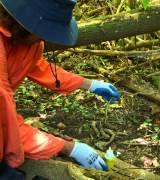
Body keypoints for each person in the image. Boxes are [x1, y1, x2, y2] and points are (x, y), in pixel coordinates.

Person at [0, 0, 121, 177]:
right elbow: (6, 121)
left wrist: (89, 84)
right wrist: (68, 148)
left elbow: (38, 67)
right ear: (22, 22)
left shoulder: (28, 43)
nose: (46, 38)